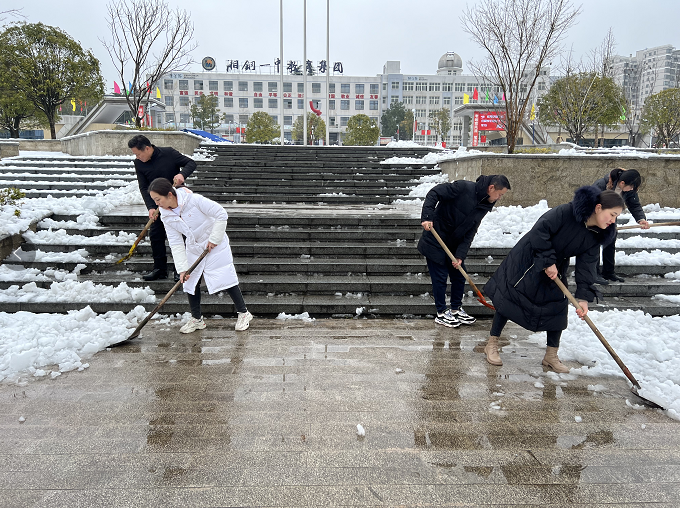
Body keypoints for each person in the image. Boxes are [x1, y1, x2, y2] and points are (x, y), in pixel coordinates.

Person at [482, 187, 625, 371]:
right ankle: (492, 344)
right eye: (612, 215)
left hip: (556, 265)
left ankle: (551, 355)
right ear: (598, 208)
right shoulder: (565, 212)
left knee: (557, 305)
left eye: (616, 217)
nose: (613, 221)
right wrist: (548, 260)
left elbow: (587, 266)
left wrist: (583, 297)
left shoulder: (597, 234)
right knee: (510, 298)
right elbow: (540, 231)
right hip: (529, 258)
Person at [148, 178, 253, 332]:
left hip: (215, 244)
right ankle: (197, 319)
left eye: (158, 199)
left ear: (170, 195)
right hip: (194, 247)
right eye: (154, 200)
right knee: (190, 281)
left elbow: (221, 213)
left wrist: (214, 238)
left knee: (225, 276)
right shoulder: (166, 215)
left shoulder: (194, 200)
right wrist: (182, 269)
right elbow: (176, 242)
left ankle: (244, 313)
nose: (157, 204)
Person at [418, 174, 511, 328]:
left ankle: (455, 309)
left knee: (459, 275)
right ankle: (441, 312)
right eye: (500, 194)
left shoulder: (485, 204)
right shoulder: (462, 188)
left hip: (454, 244)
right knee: (440, 277)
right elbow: (434, 193)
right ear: (491, 188)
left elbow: (470, 231)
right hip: (435, 239)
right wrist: (427, 216)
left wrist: (460, 255)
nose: (500, 198)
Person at [129, 134, 197, 281]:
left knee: (181, 236)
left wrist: (182, 174)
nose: (137, 157)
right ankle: (159, 269)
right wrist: (151, 207)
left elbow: (191, 163)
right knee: (156, 235)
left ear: (147, 148)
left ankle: (181, 270)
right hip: (158, 204)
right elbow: (143, 187)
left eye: (138, 154)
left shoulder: (169, 153)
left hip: (176, 202)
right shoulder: (139, 163)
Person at [592, 168, 650, 283]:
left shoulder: (628, 190)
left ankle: (608, 272)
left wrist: (641, 219)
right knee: (595, 245)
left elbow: (634, 205)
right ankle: (595, 274)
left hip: (611, 219)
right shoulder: (601, 185)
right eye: (631, 187)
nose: (632, 189)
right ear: (622, 183)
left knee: (610, 243)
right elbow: (591, 203)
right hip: (596, 218)